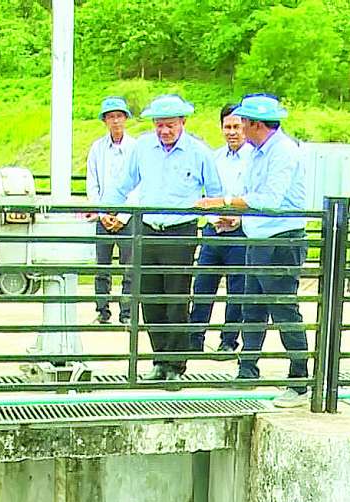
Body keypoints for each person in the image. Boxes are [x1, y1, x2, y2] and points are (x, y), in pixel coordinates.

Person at [197, 94, 309, 408]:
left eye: (244, 122)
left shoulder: (283, 152)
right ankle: (247, 369)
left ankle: (300, 381)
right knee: (252, 307)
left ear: (257, 125)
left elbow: (270, 199)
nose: (240, 128)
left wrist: (224, 203)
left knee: (284, 310)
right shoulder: (259, 153)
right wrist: (237, 216)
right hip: (257, 236)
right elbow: (253, 196)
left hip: (281, 239)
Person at [102, 94, 222, 384]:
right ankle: (159, 359)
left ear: (183, 122)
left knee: (176, 299)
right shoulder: (143, 148)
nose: (164, 131)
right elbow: (123, 184)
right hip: (147, 228)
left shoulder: (199, 152)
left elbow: (215, 191)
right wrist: (106, 209)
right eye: (159, 125)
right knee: (150, 297)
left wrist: (216, 217)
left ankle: (176, 364)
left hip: (180, 231)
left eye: (170, 125)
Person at [189, 104, 253, 353]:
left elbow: (256, 196)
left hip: (241, 231)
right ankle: (195, 338)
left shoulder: (254, 158)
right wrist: (214, 216)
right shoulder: (214, 158)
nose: (232, 132)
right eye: (227, 127)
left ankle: (228, 340)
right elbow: (205, 192)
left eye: (237, 126)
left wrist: (239, 219)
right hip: (213, 229)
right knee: (203, 285)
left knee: (237, 288)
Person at [85, 96, 136, 324]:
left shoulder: (135, 148)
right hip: (103, 213)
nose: (115, 121)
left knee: (129, 267)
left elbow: (139, 183)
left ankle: (127, 312)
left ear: (125, 118)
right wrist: (102, 212)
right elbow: (92, 182)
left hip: (128, 215)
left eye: (119, 116)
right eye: (111, 117)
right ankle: (102, 310)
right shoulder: (97, 148)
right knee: (102, 265)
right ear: (105, 120)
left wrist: (123, 215)